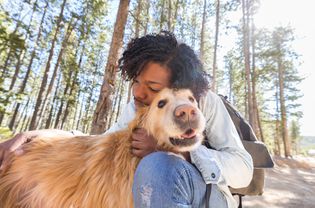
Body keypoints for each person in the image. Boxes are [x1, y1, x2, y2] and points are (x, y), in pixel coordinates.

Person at [0, 31, 253, 207]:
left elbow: (244, 169)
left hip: (207, 197)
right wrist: (38, 136)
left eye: (153, 87)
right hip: (152, 195)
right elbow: (103, 142)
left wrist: (182, 154)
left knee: (158, 165)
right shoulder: (137, 108)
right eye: (136, 82)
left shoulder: (207, 103)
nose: (139, 93)